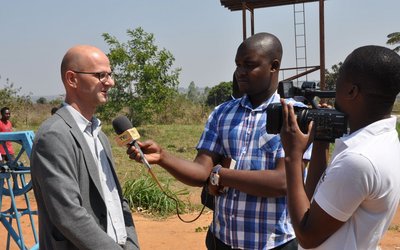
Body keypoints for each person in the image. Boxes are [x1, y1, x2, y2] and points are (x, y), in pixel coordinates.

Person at [128, 33, 299, 249]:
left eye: (249, 65)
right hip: (223, 241)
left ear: (274, 66)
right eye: (238, 65)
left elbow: (282, 182)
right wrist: (163, 157)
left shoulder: (293, 115)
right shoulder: (222, 113)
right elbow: (202, 171)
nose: (240, 72)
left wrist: (221, 175)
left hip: (274, 244)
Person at [279, 45, 400, 249]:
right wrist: (320, 143)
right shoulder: (386, 140)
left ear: (352, 91)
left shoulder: (359, 159)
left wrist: (293, 155)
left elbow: (307, 236)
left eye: (339, 80)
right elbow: (313, 203)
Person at [30, 45, 140, 250]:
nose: (110, 82)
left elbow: (116, 199)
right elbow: (68, 215)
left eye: (110, 74)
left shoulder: (100, 136)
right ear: (72, 79)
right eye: (100, 75)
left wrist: (131, 244)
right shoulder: (54, 135)